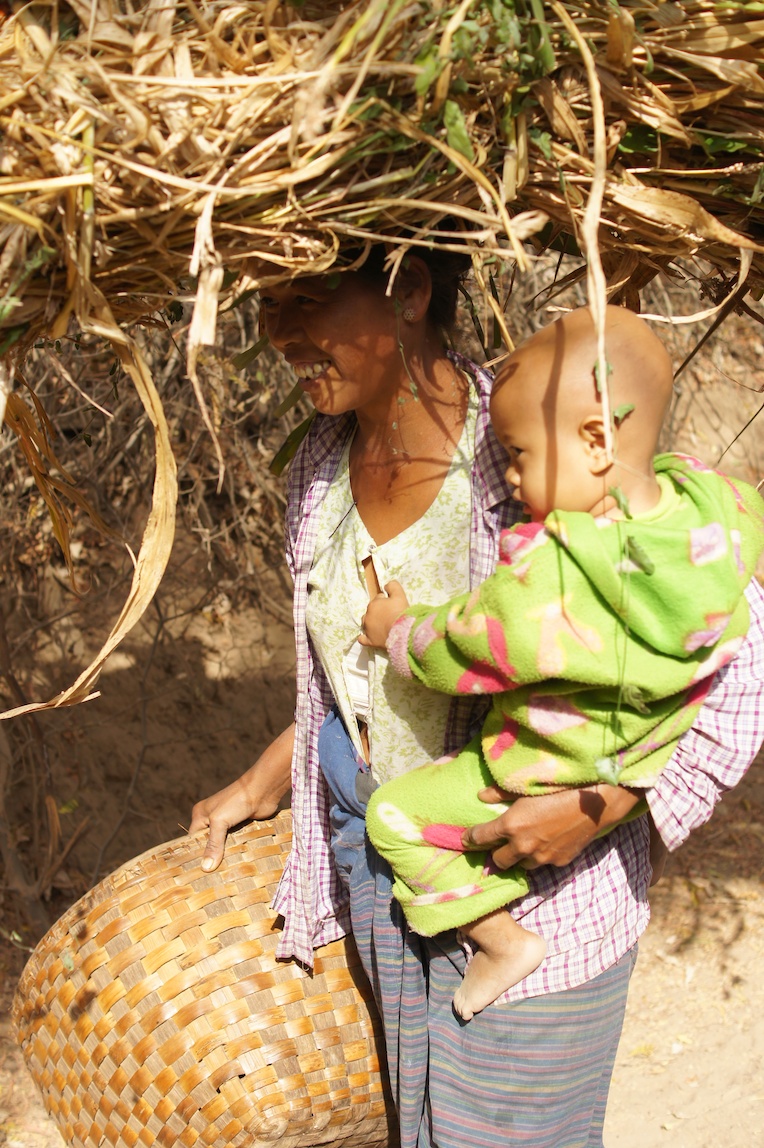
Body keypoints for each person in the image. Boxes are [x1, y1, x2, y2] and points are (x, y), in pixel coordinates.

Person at [189, 250, 764, 1148]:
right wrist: (271, 777)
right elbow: (349, 672)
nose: (280, 329)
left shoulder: (536, 433)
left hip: (536, 883)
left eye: (308, 296)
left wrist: (607, 800)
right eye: (268, 299)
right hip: (386, 874)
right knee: (418, 1128)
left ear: (410, 290)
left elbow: (737, 652)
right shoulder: (319, 468)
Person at [357, 307, 763, 1022]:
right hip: (637, 764)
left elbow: (464, 646)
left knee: (391, 818)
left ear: (597, 441)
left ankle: (500, 938)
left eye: (519, 453)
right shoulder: (711, 508)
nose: (512, 476)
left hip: (543, 772)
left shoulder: (559, 571)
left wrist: (395, 630)